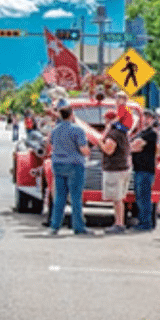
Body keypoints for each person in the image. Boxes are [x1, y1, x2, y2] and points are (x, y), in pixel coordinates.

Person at [49, 99, 90, 236]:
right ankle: (78, 227)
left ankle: (55, 226)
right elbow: (83, 149)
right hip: (74, 165)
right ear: (72, 115)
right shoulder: (77, 130)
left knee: (60, 197)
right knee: (76, 198)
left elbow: (52, 146)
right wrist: (88, 152)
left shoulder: (55, 130)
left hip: (58, 164)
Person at [129, 109, 160, 231]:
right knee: (139, 197)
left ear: (153, 120)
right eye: (144, 116)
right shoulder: (140, 133)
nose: (146, 119)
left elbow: (134, 146)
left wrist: (133, 146)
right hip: (138, 169)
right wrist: (133, 145)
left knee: (144, 198)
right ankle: (142, 221)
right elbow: (132, 145)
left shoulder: (152, 133)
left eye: (149, 117)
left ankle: (146, 224)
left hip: (146, 170)